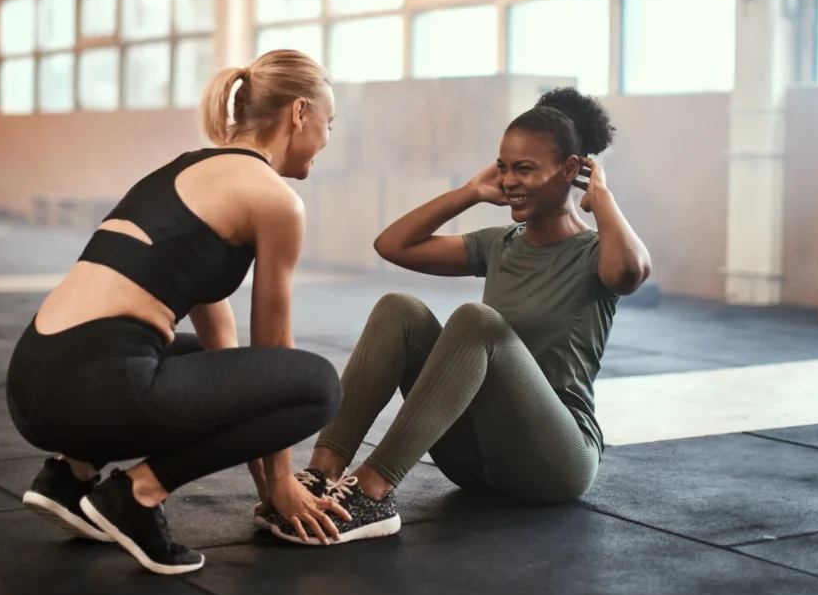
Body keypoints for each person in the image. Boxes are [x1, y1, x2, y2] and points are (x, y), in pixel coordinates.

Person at [5, 49, 353, 575]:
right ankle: (138, 494)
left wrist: (263, 484)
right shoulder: (275, 200)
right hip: (92, 390)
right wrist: (283, 485)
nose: (327, 138)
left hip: (35, 379)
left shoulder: (189, 170)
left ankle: (70, 475)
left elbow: (230, 359)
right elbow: (274, 348)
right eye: (328, 123)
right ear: (299, 113)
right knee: (317, 385)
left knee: (215, 361)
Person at [257, 86, 652, 545]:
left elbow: (630, 271)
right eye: (504, 168)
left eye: (524, 169)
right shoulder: (500, 244)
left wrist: (601, 197)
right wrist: (468, 193)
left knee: (476, 321)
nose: (509, 181)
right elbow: (392, 245)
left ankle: (372, 492)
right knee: (398, 309)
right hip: (475, 460)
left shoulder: (594, 252)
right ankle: (320, 478)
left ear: (571, 170)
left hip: (554, 463)